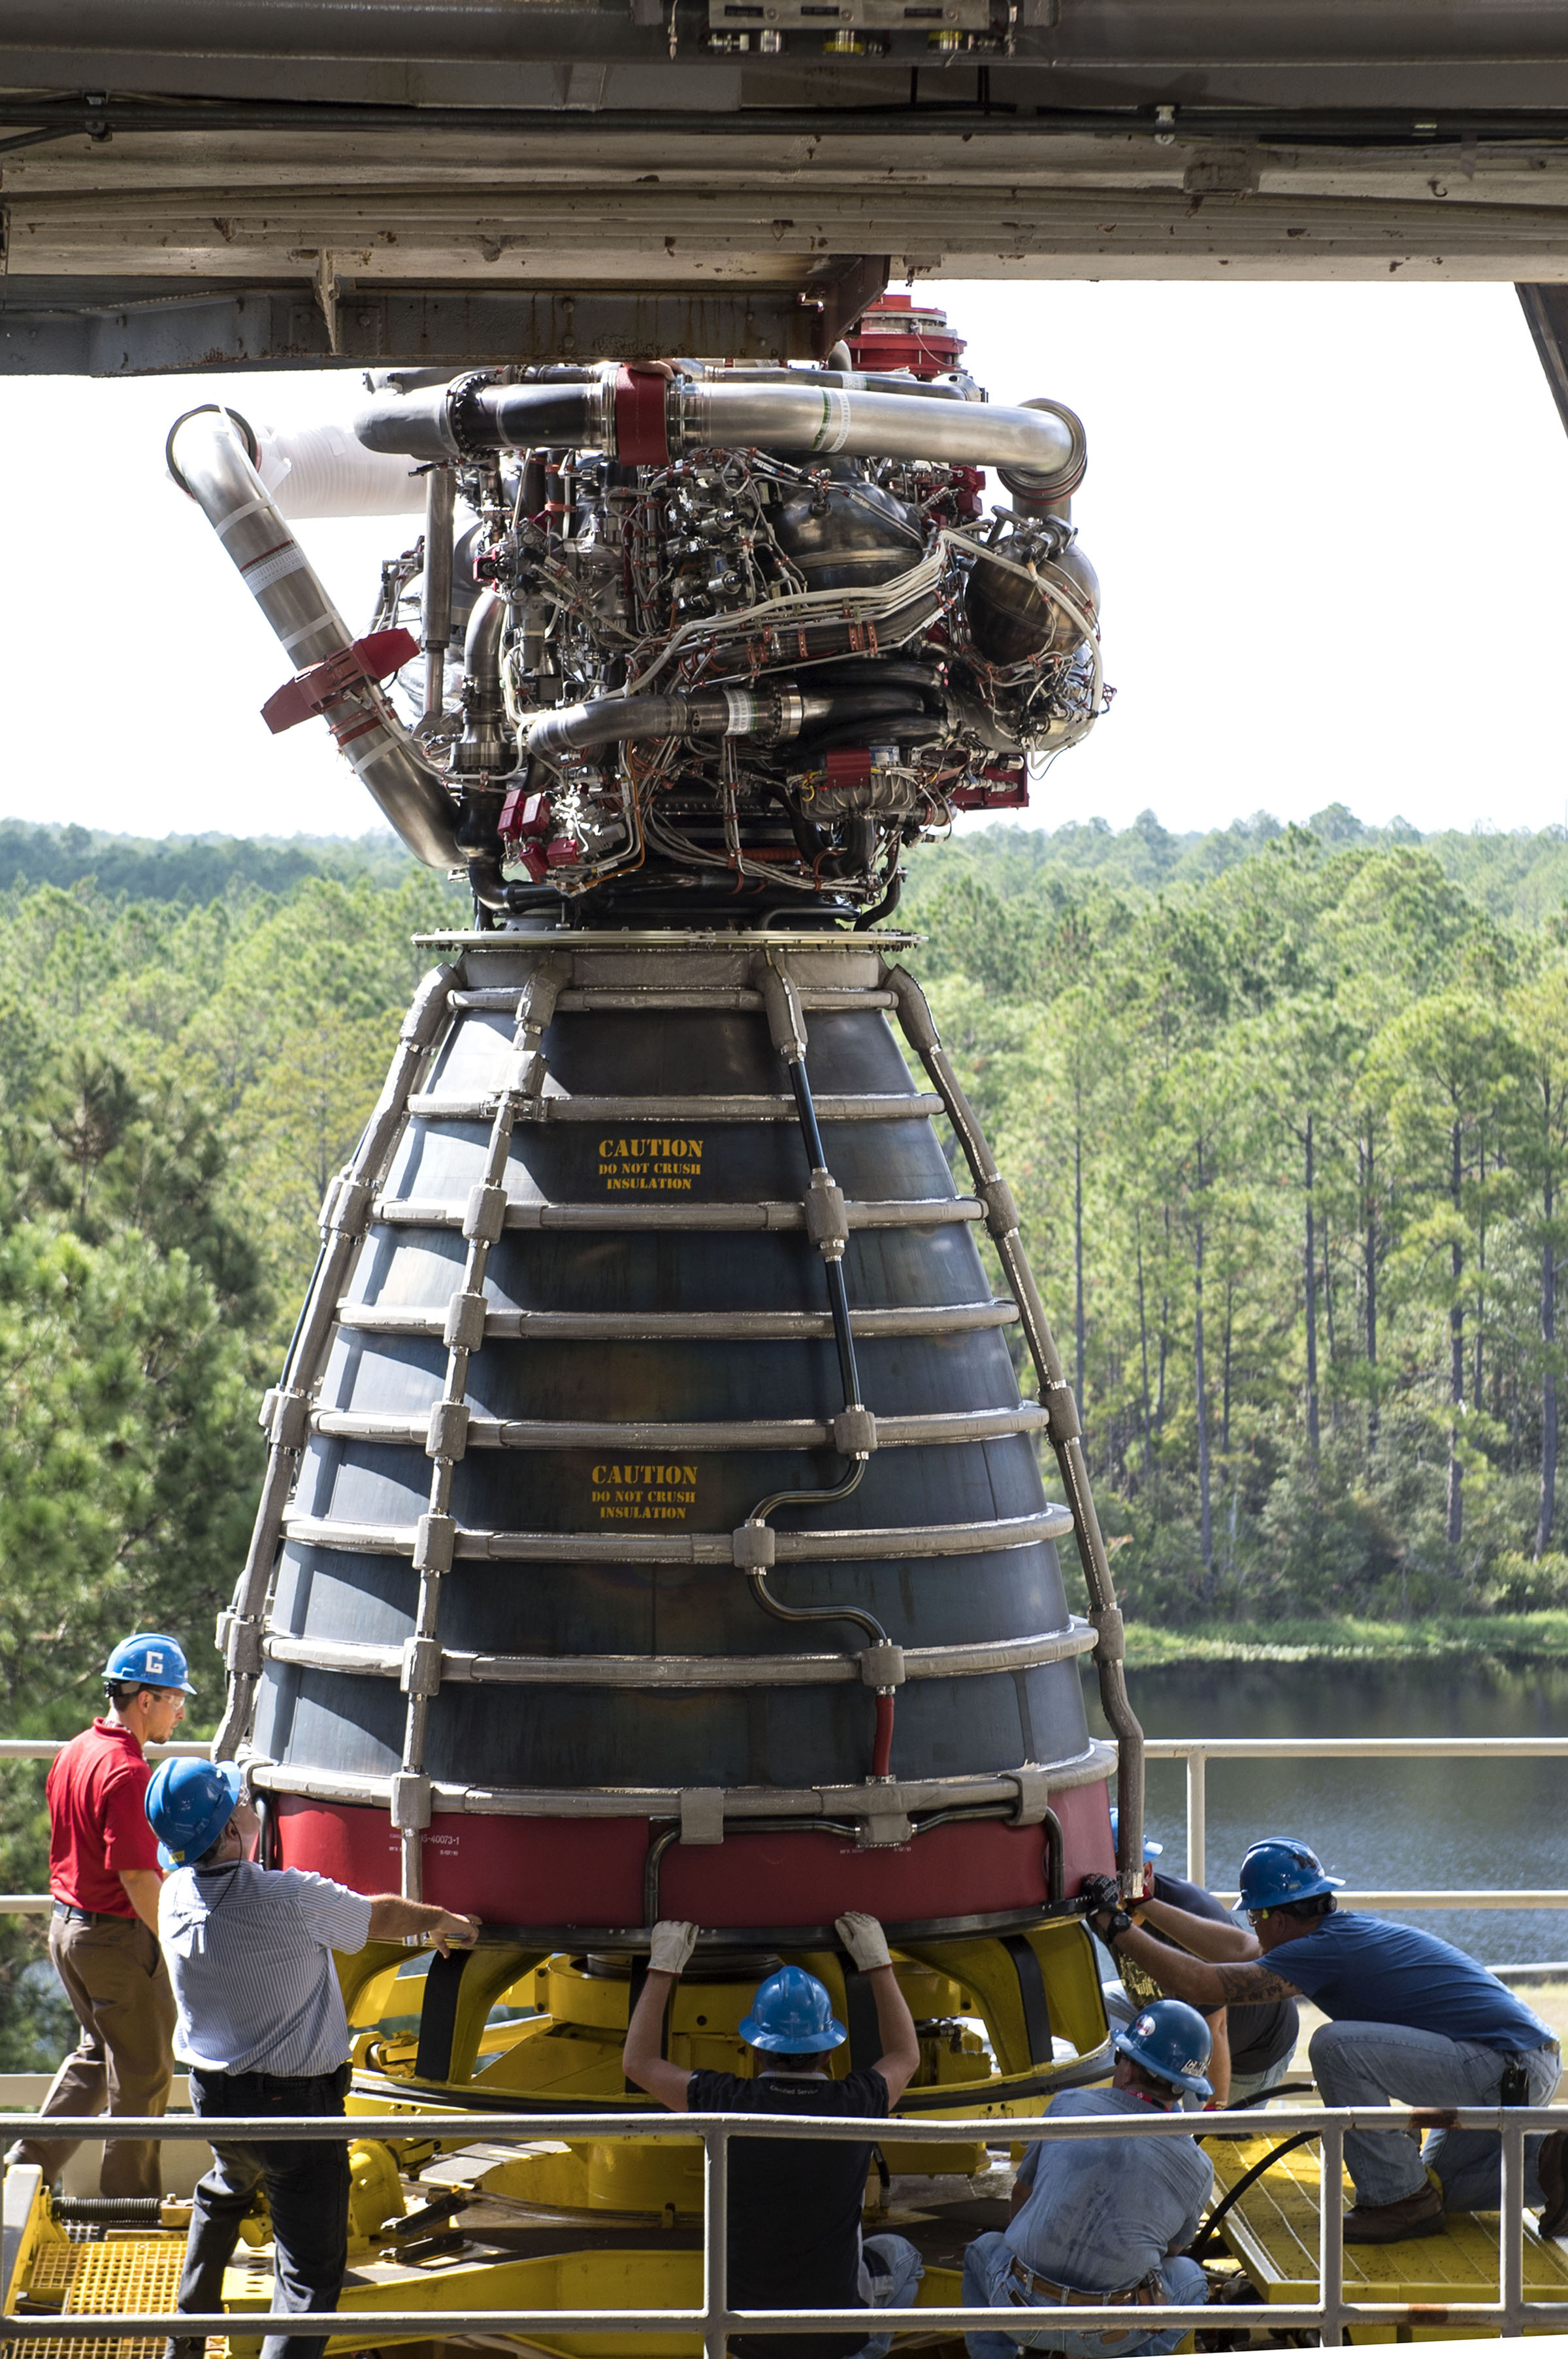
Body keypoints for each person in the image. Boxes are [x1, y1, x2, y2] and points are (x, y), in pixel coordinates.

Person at [145, 1757, 480, 2359]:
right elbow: (376, 1916)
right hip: (294, 2110)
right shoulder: (290, 1897)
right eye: (237, 1803)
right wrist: (440, 1920)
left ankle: (184, 2341)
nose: (249, 1805)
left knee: (224, 2189)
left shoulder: (172, 1896)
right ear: (226, 1832)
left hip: (214, 2098)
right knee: (305, 2282)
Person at [1082, 1835, 1564, 2244]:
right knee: (1440, 2188)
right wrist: (1145, 1905)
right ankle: (1553, 2163)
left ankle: (1396, 2201)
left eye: (1254, 1917)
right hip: (1517, 2063)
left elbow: (1203, 1985)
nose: (1252, 1926)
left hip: (1503, 2064)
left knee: (1334, 2047)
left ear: (1278, 1919)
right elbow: (1241, 1950)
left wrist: (1115, 1926)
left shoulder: (1321, 1950)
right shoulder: (1326, 1937)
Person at [623, 1913, 924, 2359]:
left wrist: (663, 1965)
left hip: (742, 2339)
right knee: (903, 2257)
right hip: (832, 2335)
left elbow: (639, 2064)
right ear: (826, 2051)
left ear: (756, 2046)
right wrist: (877, 1963)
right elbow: (905, 2055)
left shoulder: (724, 2103)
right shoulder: (856, 2103)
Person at [5, 1632, 195, 2197]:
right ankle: (125, 2212)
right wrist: (175, 1943)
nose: (181, 1712)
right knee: (145, 2076)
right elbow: (137, 1875)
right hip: (115, 1939)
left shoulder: (77, 1750)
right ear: (145, 1700)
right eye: (174, 1699)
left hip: (68, 1931)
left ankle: (24, 2166)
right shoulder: (128, 1771)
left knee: (98, 2054)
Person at [962, 1997, 1213, 2359]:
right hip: (1111, 2333)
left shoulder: (1067, 2106)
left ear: (1127, 2070)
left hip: (1021, 2309)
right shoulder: (1198, 2165)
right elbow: (1170, 2250)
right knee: (1190, 2279)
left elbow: (1022, 2195)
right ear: (1184, 2087)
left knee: (981, 2251)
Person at [1103, 1811, 1299, 2111]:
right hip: (1173, 2009)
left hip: (1250, 2048)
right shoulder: (1103, 1909)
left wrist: (1214, 2110)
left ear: (1148, 1869)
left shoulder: (1191, 1913)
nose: (1113, 1891)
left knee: (1210, 2135)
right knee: (1099, 2002)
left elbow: (1216, 2028)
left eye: (1121, 1879)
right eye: (1105, 1880)